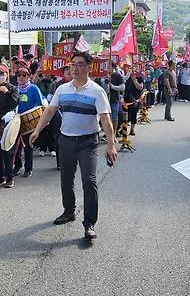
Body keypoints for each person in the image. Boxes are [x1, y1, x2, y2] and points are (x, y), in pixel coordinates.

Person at [29, 51, 118, 240]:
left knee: (89, 181)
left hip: (88, 142)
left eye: (79, 64)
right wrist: (37, 130)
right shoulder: (62, 89)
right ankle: (69, 211)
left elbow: (105, 120)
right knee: (66, 179)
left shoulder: (96, 91)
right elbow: (50, 111)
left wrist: (110, 145)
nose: (74, 68)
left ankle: (89, 224)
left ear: (88, 67)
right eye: (72, 64)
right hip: (66, 140)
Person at [13, 64, 47, 178]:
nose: (21, 77)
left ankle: (28, 169)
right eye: (19, 75)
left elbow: (41, 103)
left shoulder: (33, 88)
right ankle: (17, 166)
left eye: (24, 75)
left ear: (28, 77)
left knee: (28, 146)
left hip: (29, 122)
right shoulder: (14, 89)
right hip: (16, 121)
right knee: (15, 147)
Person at [123, 70, 144, 136]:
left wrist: (134, 80)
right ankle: (123, 129)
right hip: (126, 98)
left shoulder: (139, 77)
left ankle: (132, 130)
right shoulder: (127, 76)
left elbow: (140, 87)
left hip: (136, 98)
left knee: (133, 115)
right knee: (126, 115)